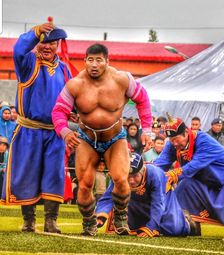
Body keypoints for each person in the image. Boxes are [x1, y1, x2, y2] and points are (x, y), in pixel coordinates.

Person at [52, 43, 152, 236]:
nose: (94, 64)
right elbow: (58, 111)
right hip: (87, 139)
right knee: (84, 185)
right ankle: (89, 223)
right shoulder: (75, 84)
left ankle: (121, 218)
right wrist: (65, 132)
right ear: (85, 61)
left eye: (99, 60)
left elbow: (143, 99)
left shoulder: (122, 79)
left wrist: (147, 129)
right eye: (90, 60)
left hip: (115, 138)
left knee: (121, 179)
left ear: (107, 61)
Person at [0, 20, 72, 234]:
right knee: (26, 173)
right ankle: (28, 221)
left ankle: (51, 221)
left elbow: (74, 96)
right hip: (29, 130)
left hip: (54, 132)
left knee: (54, 174)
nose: (47, 46)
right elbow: (18, 48)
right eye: (43, 42)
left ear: (58, 45)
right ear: (37, 44)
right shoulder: (28, 63)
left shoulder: (65, 69)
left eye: (52, 43)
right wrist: (35, 32)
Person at [153, 114, 224, 229]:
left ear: (186, 132)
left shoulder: (204, 141)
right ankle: (189, 226)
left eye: (176, 139)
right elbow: (159, 164)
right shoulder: (172, 145)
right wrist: (145, 172)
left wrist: (174, 174)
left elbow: (194, 166)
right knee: (183, 188)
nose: (175, 144)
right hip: (203, 181)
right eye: (171, 141)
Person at [96, 153, 200, 237]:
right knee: (132, 229)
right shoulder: (120, 175)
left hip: (164, 199)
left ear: (143, 170)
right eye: (128, 176)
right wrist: (100, 216)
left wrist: (151, 228)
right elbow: (108, 197)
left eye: (135, 176)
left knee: (174, 230)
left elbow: (158, 203)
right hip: (135, 202)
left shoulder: (155, 174)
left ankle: (186, 221)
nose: (131, 181)